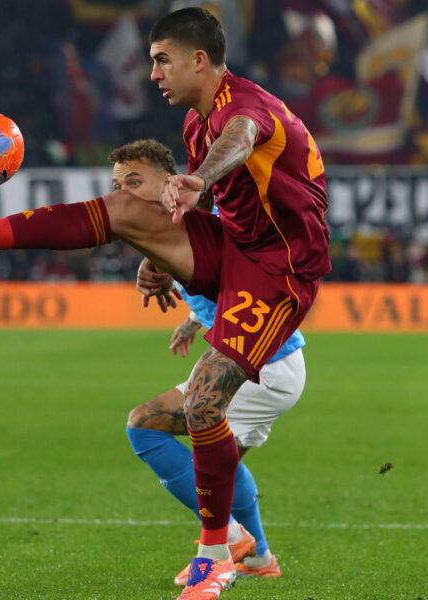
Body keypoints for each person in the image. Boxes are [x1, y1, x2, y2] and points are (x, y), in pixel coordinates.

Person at [0, 8, 329, 598]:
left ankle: (216, 556)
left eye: (162, 60)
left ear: (199, 60)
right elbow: (211, 204)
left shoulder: (245, 107)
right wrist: (162, 252)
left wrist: (198, 179)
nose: (153, 74)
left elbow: (240, 141)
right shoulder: (195, 123)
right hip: (237, 245)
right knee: (125, 209)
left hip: (280, 269)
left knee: (204, 405)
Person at [109, 139, 306, 584]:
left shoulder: (207, 220)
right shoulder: (172, 229)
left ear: (169, 181)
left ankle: (228, 538)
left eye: (135, 182)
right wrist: (193, 319)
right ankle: (258, 557)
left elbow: (242, 268)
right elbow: (220, 280)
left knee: (144, 426)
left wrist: (159, 265)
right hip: (276, 362)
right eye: (118, 186)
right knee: (224, 466)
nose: (124, 193)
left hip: (262, 366)